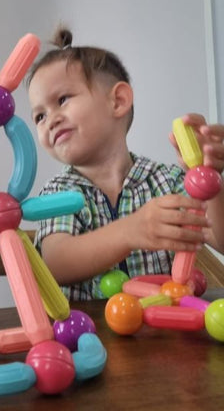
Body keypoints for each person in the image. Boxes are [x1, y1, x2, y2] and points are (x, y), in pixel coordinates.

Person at [27, 26, 224, 301]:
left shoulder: (166, 180)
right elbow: (56, 263)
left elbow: (219, 237)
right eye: (39, 116)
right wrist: (131, 230)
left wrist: (209, 179)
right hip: (88, 339)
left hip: (167, 334)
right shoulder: (58, 194)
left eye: (62, 100)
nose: (51, 119)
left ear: (118, 101)